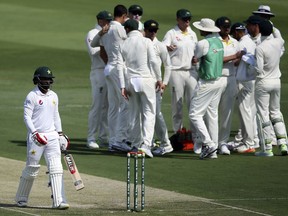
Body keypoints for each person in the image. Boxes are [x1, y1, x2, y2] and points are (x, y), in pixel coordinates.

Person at [15, 66, 70, 209]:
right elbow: (27, 117)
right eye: (44, 79)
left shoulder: (53, 96)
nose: (47, 81)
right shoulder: (32, 96)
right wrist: (34, 133)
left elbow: (55, 115)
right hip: (36, 137)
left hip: (51, 135)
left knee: (56, 167)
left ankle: (59, 201)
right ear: (37, 80)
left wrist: (60, 133)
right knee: (32, 168)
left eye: (49, 79)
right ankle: (21, 198)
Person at [117, 19, 162, 158]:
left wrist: (122, 86)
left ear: (128, 29)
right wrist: (159, 78)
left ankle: (136, 144)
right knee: (149, 112)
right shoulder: (146, 41)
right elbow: (154, 61)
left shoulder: (123, 44)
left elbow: (120, 66)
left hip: (131, 81)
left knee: (134, 114)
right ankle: (146, 145)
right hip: (146, 79)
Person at [91, 5, 131, 152]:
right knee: (125, 104)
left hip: (108, 68)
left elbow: (93, 43)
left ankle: (113, 140)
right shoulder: (119, 28)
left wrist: (101, 33)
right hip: (117, 68)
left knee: (114, 107)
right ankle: (120, 139)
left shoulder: (106, 29)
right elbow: (129, 44)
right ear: (124, 15)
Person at [189, 18, 224, 159]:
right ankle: (213, 150)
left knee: (194, 114)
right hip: (219, 81)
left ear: (204, 30)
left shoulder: (203, 43)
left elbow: (196, 61)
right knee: (212, 114)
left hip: (206, 82)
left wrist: (195, 63)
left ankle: (209, 144)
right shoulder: (219, 41)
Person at [254, 20, 288, 157]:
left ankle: (267, 148)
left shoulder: (260, 48)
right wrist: (273, 27)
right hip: (276, 82)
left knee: (263, 114)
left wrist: (250, 61)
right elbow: (279, 36)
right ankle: (283, 143)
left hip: (263, 82)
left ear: (260, 31)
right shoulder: (278, 42)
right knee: (276, 112)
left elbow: (258, 69)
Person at [162, 9, 198, 137]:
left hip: (191, 72)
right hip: (176, 71)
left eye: (189, 19)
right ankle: (178, 132)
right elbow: (161, 48)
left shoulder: (192, 34)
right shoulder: (171, 33)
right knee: (177, 104)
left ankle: (195, 134)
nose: (187, 21)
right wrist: (167, 47)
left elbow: (197, 50)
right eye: (184, 19)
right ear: (178, 19)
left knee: (193, 104)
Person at [143, 19, 173, 155]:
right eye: (151, 30)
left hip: (155, 84)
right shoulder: (142, 43)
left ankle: (166, 144)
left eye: (155, 30)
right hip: (143, 83)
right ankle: (149, 141)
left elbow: (168, 65)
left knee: (155, 114)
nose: (153, 33)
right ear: (145, 30)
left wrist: (164, 82)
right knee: (146, 114)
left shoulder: (159, 45)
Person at [215, 16, 242, 155]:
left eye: (228, 26)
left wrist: (239, 58)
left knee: (227, 112)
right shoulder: (214, 42)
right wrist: (234, 57)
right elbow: (216, 60)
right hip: (216, 79)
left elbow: (237, 61)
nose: (227, 28)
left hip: (230, 79)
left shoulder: (235, 42)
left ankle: (223, 143)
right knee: (212, 112)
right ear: (217, 27)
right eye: (224, 26)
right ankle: (211, 142)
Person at [85, 11, 112, 149]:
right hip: (98, 71)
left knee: (107, 106)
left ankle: (103, 136)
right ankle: (91, 137)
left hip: (109, 70)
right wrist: (107, 48)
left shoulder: (109, 32)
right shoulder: (92, 33)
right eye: (106, 20)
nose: (108, 23)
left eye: (109, 20)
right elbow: (93, 51)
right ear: (99, 20)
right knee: (97, 106)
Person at [229, 22, 257, 153]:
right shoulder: (250, 41)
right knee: (249, 111)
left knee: (244, 111)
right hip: (251, 80)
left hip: (242, 80)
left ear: (236, 32)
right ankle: (249, 140)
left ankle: (249, 143)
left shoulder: (241, 43)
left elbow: (239, 61)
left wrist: (236, 61)